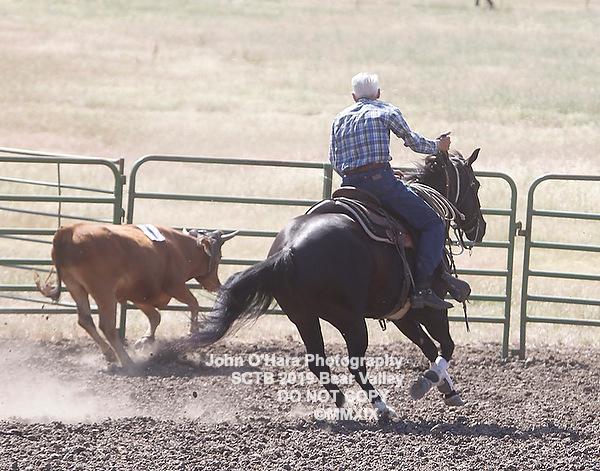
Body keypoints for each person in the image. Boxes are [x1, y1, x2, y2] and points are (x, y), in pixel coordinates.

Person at [329, 72, 452, 310]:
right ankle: (423, 288)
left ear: (354, 96)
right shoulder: (386, 111)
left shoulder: (340, 118)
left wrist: (359, 172)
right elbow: (413, 142)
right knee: (433, 223)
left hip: (348, 186)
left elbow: (334, 160)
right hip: (381, 183)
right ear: (378, 93)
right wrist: (438, 146)